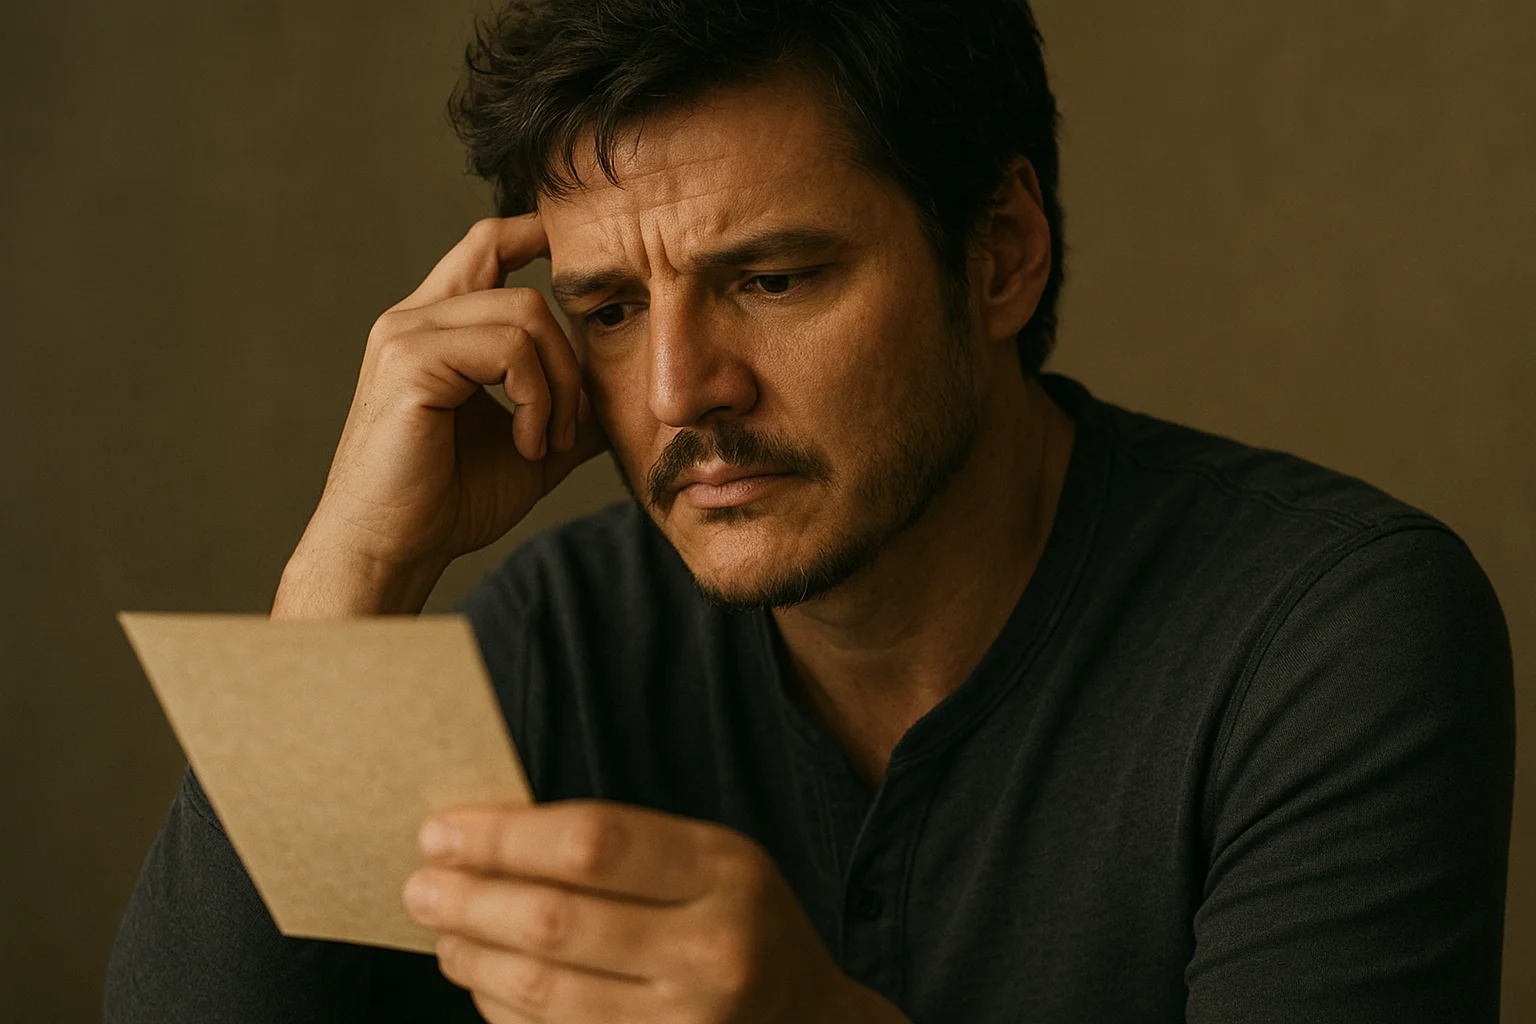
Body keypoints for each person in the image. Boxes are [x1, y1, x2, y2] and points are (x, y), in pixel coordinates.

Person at [103, 1, 1516, 1021]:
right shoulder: (556, 638)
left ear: (1001, 257)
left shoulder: (1332, 633)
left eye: (773, 280)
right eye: (605, 308)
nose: (677, 392)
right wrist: (352, 569)